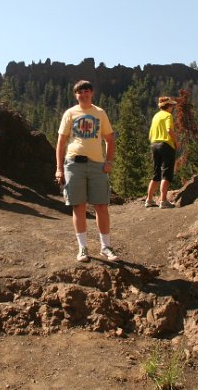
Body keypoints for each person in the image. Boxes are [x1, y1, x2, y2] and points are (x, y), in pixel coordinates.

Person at [55, 80, 119, 262]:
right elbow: (60, 143)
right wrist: (59, 169)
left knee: (101, 206)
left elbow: (110, 139)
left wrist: (109, 161)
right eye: (79, 92)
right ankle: (83, 248)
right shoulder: (70, 113)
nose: (83, 94)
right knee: (79, 205)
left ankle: (105, 247)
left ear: (92, 93)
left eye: (86, 91)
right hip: (74, 164)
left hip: (97, 165)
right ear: (75, 95)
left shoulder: (100, 113)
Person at [145, 96, 179, 209]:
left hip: (154, 144)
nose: (173, 108)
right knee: (166, 173)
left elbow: (150, 133)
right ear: (168, 106)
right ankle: (163, 201)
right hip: (166, 145)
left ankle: (149, 200)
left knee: (156, 174)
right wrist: (175, 142)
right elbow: (169, 130)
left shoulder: (156, 116)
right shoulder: (168, 115)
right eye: (172, 105)